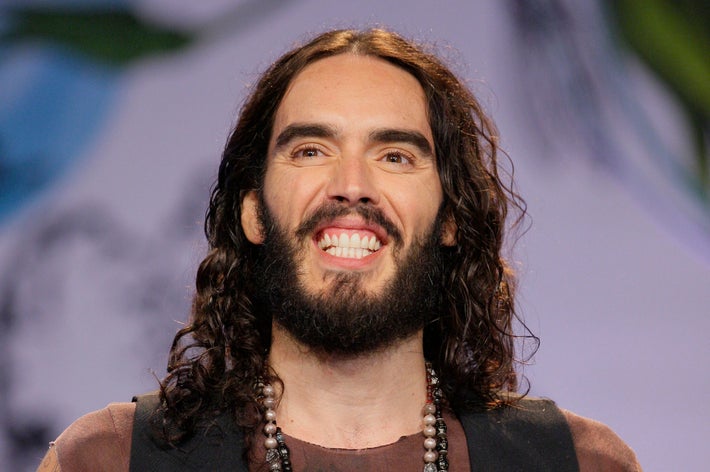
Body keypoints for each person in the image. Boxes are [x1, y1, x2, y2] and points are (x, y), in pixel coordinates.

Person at [38, 28, 641, 471]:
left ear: (451, 218)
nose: (352, 185)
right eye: (310, 151)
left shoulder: (579, 464)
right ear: (253, 211)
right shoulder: (109, 460)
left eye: (395, 156)